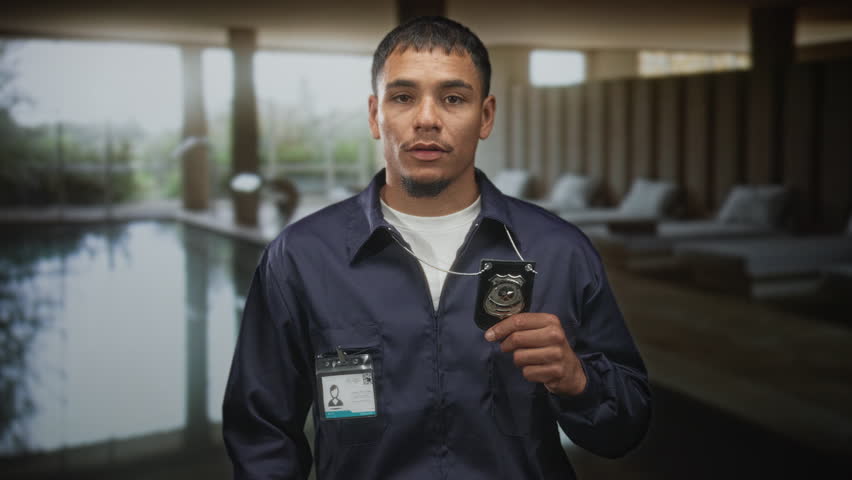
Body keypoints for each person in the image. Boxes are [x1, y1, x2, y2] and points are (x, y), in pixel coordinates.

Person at [223, 16, 651, 479]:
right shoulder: (302, 257)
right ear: (374, 115)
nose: (427, 119)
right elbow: (261, 434)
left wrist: (577, 381)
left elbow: (626, 429)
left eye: (453, 98)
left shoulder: (559, 252)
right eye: (403, 97)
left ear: (485, 116)